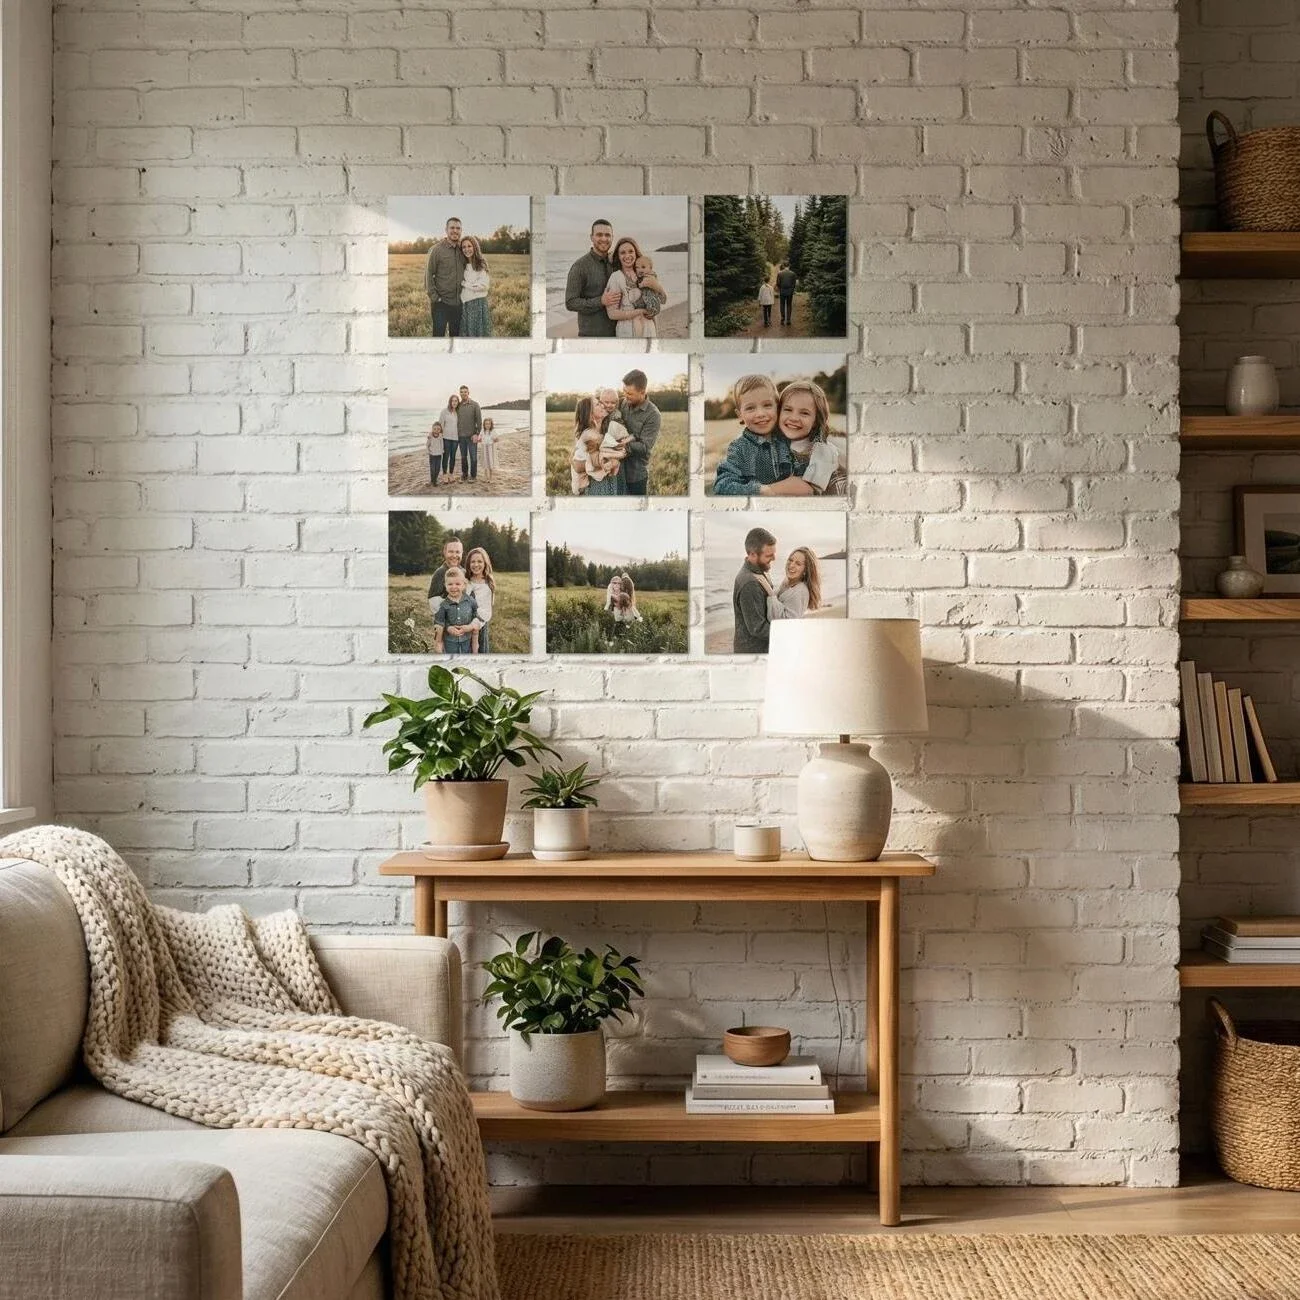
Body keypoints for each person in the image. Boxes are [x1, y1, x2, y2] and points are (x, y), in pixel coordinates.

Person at [711, 374, 813, 498]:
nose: (760, 414)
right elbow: (722, 486)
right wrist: (765, 490)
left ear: (777, 406)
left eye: (767, 405)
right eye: (750, 408)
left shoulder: (788, 437)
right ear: (740, 415)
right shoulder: (739, 448)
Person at [778, 379, 845, 496]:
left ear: (815, 421)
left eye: (804, 413)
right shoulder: (771, 443)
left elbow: (809, 491)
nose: (794, 418)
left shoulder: (823, 452)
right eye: (788, 410)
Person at [564, 218, 620, 338]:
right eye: (599, 235)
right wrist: (601, 301)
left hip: (619, 333)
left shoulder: (616, 263)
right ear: (592, 237)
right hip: (591, 336)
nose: (604, 239)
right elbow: (570, 302)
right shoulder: (580, 266)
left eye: (607, 235)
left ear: (612, 237)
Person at [613, 370, 661, 499]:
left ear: (642, 392)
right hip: (615, 471)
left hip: (635, 475)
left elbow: (645, 447)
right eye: (624, 391)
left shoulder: (653, 415)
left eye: (629, 393)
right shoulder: (622, 403)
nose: (625, 396)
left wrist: (622, 445)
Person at [733, 526, 778, 654]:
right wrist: (785, 632)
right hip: (753, 651)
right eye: (769, 555)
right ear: (752, 554)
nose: (774, 558)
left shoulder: (759, 570)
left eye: (774, 553)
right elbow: (757, 628)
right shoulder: (750, 583)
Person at [570, 396, 624, 495]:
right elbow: (594, 460)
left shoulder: (602, 429)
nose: (603, 406)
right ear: (590, 415)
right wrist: (614, 461)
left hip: (604, 480)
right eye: (598, 404)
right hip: (593, 484)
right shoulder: (590, 435)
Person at [605, 236, 655, 339]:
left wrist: (657, 286)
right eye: (622, 253)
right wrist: (640, 312)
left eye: (631, 251)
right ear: (618, 256)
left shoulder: (645, 273)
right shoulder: (616, 277)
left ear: (636, 253)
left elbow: (660, 300)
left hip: (649, 328)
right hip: (627, 331)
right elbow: (612, 314)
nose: (627, 256)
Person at [425, 216, 466, 338]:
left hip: (458, 303)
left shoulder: (463, 249)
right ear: (446, 230)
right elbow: (428, 274)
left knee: (456, 338)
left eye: (458, 228)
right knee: (438, 337)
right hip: (441, 304)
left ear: (461, 231)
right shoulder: (436, 250)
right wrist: (435, 298)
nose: (455, 231)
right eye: (452, 228)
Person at [432, 566, 478, 655]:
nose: (454, 587)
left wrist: (469, 627)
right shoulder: (443, 605)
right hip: (450, 643)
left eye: (457, 584)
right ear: (445, 585)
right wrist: (448, 628)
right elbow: (439, 624)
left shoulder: (470, 601)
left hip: (467, 641)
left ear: (464, 585)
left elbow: (476, 616)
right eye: (450, 584)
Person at [768, 546, 822, 620]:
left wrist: (770, 593)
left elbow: (786, 622)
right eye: (790, 560)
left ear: (805, 570)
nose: (791, 565)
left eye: (798, 564)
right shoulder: (787, 582)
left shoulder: (800, 591)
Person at [458, 235, 492, 338]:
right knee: (466, 334)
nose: (466, 249)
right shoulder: (462, 264)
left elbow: (483, 286)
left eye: (469, 246)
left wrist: (464, 284)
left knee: (478, 334)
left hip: (477, 304)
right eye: (464, 247)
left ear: (475, 247)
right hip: (465, 305)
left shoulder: (480, 263)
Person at [464, 546, 495, 654]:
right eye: (473, 561)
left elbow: (486, 613)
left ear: (485, 563)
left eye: (479, 561)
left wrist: (472, 626)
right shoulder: (465, 581)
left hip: (478, 627)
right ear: (468, 564)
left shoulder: (486, 586)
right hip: (462, 626)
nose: (476, 565)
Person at [426, 535, 463, 616]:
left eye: (457, 552)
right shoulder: (440, 573)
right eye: (451, 552)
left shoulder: (464, 572)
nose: (454, 555)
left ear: (462, 553)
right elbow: (433, 600)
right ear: (445, 552)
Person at [455, 384, 481, 482]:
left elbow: (479, 421)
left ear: (468, 393)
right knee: (463, 457)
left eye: (465, 392)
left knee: (473, 457)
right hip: (461, 437)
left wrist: (477, 434)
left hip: (472, 436)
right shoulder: (458, 406)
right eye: (461, 392)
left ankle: (473, 476)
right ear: (460, 393)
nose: (463, 394)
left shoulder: (475, 405)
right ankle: (464, 475)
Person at [439, 393, 461, 479]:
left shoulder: (458, 412)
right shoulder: (444, 411)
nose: (454, 402)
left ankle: (451, 474)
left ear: (458, 402)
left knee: (453, 457)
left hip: (455, 438)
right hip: (446, 438)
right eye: (453, 401)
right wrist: (439, 436)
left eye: (456, 401)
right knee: (446, 456)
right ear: (450, 402)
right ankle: (445, 474)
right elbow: (440, 425)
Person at [776, 262, 797, 327]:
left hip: (782, 291)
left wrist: (780, 288)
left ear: (783, 266)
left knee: (782, 305)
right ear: (789, 266)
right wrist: (792, 290)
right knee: (789, 305)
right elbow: (794, 284)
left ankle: (782, 318)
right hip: (790, 292)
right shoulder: (793, 274)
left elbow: (778, 283)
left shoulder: (780, 273)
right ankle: (788, 320)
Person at [478, 416, 496, 484]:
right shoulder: (482, 431)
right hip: (484, 448)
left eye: (489, 424)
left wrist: (494, 439)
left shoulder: (492, 431)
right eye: (486, 424)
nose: (487, 425)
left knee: (490, 463)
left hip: (490, 448)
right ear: (484, 425)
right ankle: (486, 477)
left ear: (491, 424)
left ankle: (491, 478)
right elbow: (479, 438)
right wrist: (479, 439)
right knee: (485, 463)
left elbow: (496, 438)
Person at [426, 421, 444, 487]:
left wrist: (442, 450)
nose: (436, 430)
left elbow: (442, 444)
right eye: (435, 429)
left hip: (439, 455)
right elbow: (427, 445)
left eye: (438, 429)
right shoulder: (430, 436)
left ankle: (435, 479)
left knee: (438, 469)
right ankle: (433, 481)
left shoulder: (440, 436)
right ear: (432, 429)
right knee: (432, 469)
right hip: (432, 455)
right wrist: (428, 451)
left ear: (440, 429)